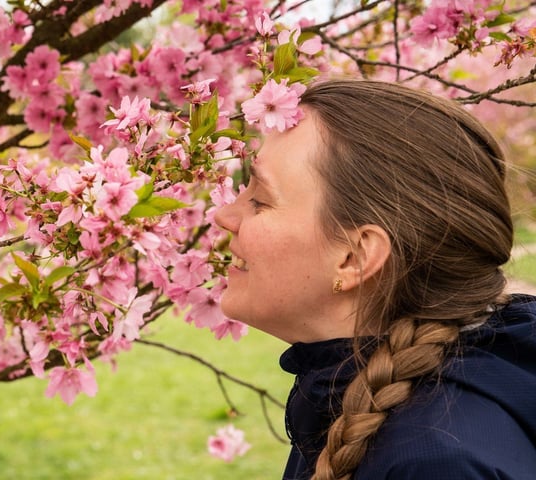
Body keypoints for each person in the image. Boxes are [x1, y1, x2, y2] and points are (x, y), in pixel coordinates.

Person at [214, 79, 536, 479]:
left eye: (260, 200)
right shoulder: (352, 399)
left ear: (355, 258)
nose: (224, 216)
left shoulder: (435, 461)